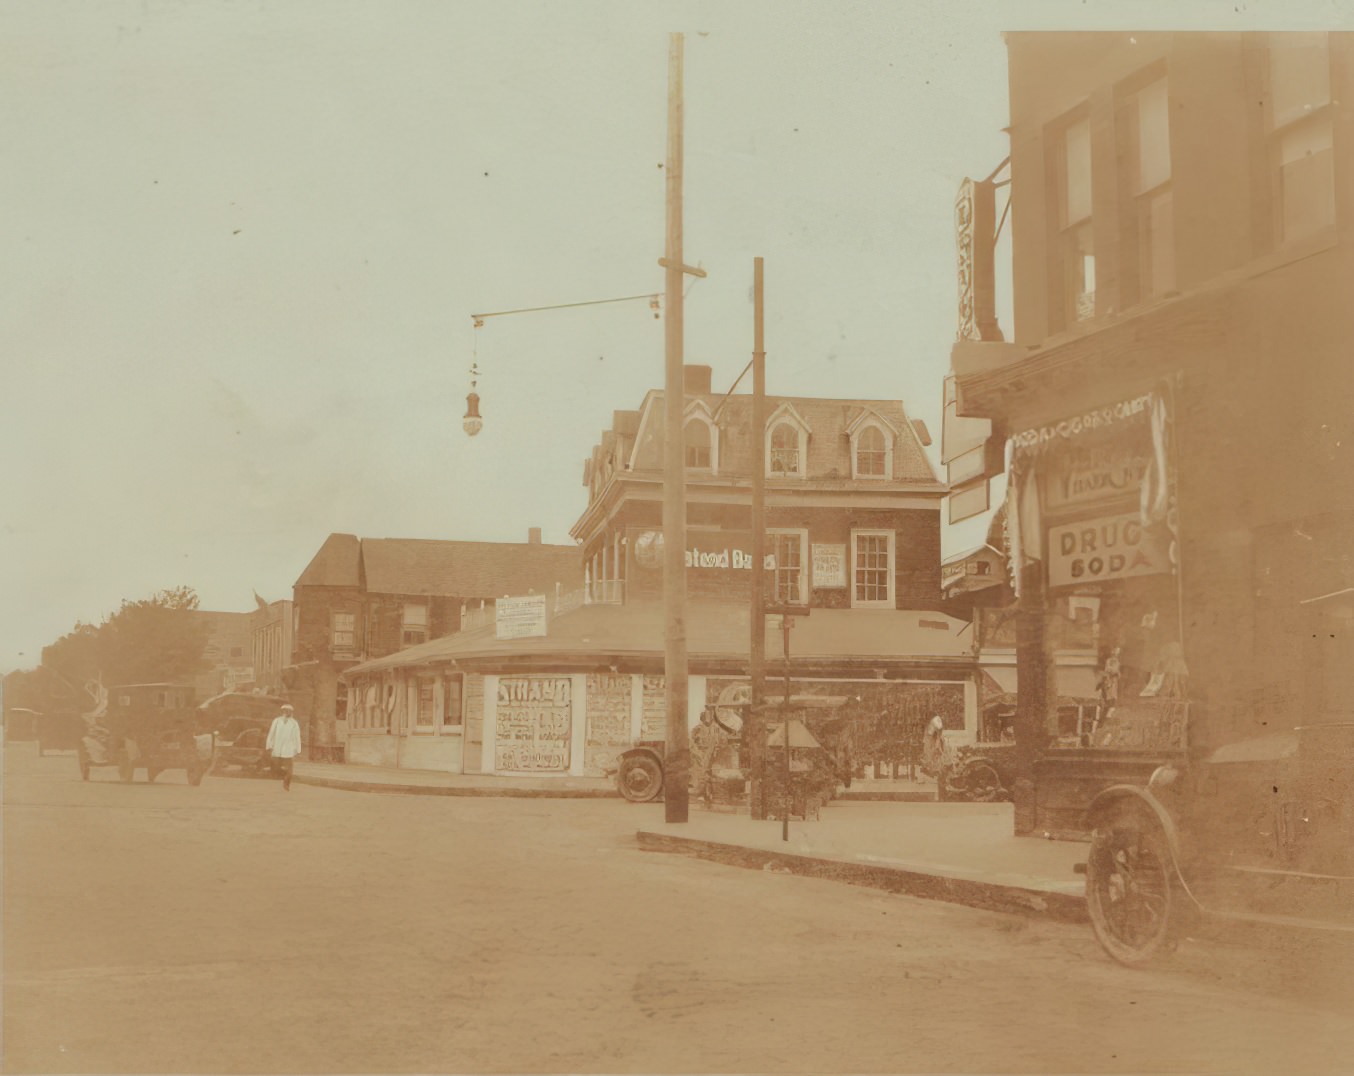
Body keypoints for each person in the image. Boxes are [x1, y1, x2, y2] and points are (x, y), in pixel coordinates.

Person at [265, 703, 303, 791]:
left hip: (288, 749)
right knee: (276, 768)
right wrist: (269, 745)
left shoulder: (294, 723)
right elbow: (272, 733)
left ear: (291, 712)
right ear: (283, 711)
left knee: (289, 770)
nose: (287, 712)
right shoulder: (277, 721)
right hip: (277, 748)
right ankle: (282, 775)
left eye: (289, 711)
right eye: (285, 711)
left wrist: (297, 749)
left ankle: (286, 783)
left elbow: (297, 736)